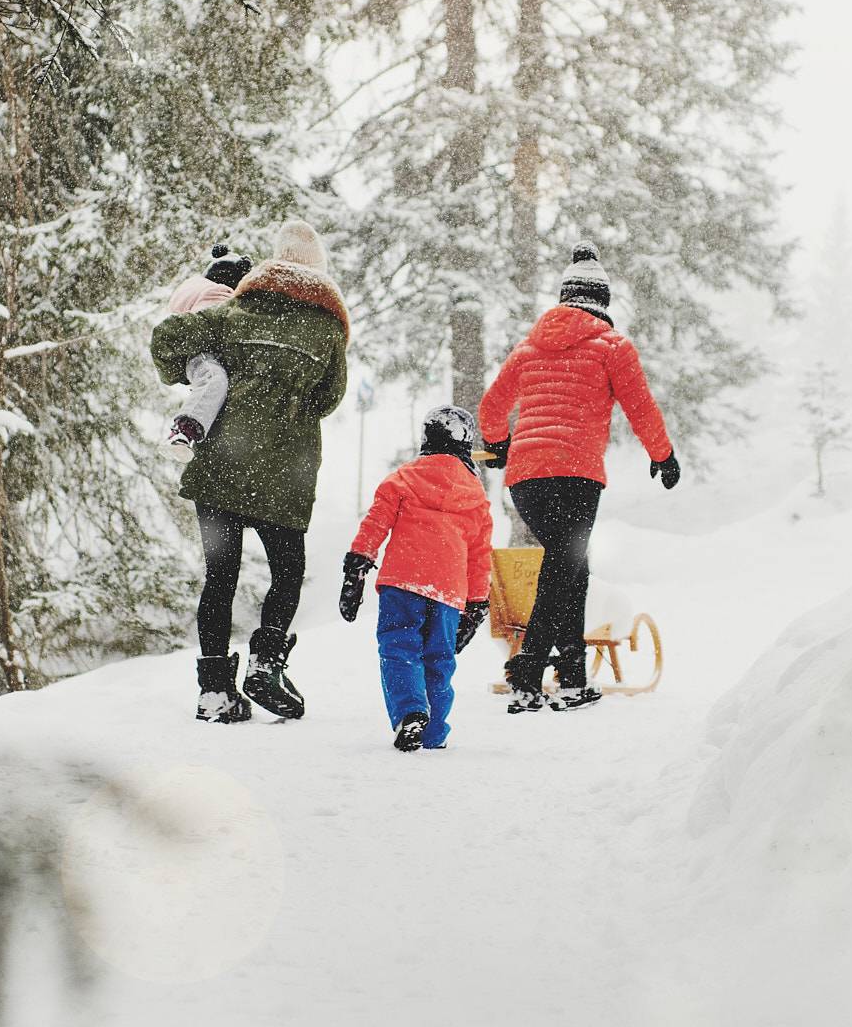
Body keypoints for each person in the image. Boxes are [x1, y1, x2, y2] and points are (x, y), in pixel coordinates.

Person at [151, 219, 348, 723]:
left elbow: (169, 336)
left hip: (223, 467)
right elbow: (328, 399)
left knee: (220, 576)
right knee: (287, 573)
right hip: (285, 473)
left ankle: (215, 691)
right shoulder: (327, 329)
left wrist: (194, 375)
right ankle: (266, 661)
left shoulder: (237, 312)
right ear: (318, 273)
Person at [478, 244, 679, 716]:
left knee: (571, 566)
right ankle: (529, 667)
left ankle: (571, 674)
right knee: (563, 565)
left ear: (565, 299)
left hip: (526, 479)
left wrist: (500, 445)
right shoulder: (612, 347)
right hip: (576, 475)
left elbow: (491, 406)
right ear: (602, 303)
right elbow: (640, 406)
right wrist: (663, 455)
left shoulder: (528, 349)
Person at [339, 406, 493, 753]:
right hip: (449, 590)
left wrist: (357, 567)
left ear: (427, 439)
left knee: (398, 647)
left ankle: (410, 712)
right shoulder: (475, 496)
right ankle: (434, 731)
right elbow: (480, 555)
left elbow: (376, 523)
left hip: (402, 581)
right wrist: (477, 605)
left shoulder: (403, 478)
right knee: (440, 657)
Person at [161, 242, 252, 449]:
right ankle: (184, 431)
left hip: (197, 356)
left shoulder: (196, 289)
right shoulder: (218, 293)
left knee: (214, 385)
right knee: (214, 380)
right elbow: (212, 322)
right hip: (203, 355)